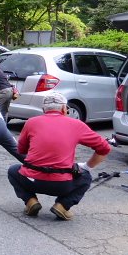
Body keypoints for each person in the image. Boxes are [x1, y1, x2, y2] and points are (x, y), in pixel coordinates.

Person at [7, 92, 111, 220]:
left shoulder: (31, 122)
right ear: (64, 108)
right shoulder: (76, 125)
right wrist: (87, 166)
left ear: (44, 109)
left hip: (31, 181)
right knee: (85, 176)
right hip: (61, 185)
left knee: (13, 170)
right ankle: (62, 205)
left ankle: (31, 201)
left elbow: (21, 150)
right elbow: (104, 148)